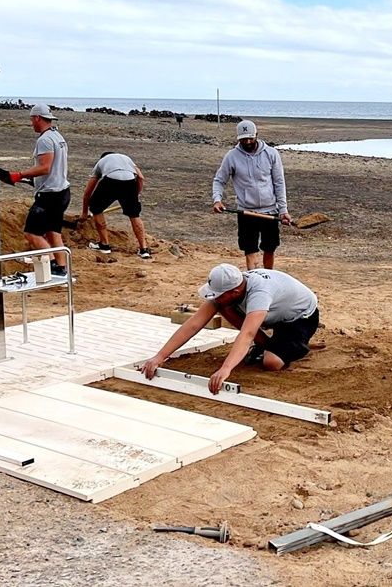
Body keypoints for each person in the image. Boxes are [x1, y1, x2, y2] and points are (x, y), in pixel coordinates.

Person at [140, 264, 320, 394]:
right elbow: (194, 324)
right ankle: (267, 344)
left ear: (234, 292)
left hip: (299, 318)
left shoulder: (259, 294)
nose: (214, 298)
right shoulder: (230, 289)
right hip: (272, 313)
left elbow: (247, 333)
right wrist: (160, 356)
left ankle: (293, 347)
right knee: (224, 307)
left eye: (218, 295)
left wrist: (226, 368)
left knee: (271, 362)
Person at [212, 120, 292, 270]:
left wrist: (283, 211)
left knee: (270, 248)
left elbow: (279, 183)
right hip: (246, 211)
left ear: (257, 135)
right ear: (238, 138)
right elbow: (219, 180)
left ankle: (268, 278)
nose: (248, 142)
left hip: (270, 211)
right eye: (243, 139)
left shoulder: (271, 154)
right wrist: (217, 200)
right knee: (250, 250)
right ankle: (254, 280)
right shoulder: (231, 157)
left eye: (250, 138)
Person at [7, 103, 70, 277]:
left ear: (37, 118)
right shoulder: (57, 136)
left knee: (31, 233)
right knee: (53, 231)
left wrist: (19, 175)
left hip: (49, 195)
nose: (31, 124)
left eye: (31, 120)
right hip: (62, 190)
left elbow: (45, 167)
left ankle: (50, 263)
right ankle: (62, 268)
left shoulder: (44, 140)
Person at [80, 151, 151, 259]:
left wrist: (85, 212)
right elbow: (141, 177)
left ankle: (104, 245)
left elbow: (88, 192)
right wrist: (135, 196)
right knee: (134, 214)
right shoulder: (127, 158)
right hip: (130, 181)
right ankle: (144, 250)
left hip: (111, 181)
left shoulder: (101, 162)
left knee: (96, 207)